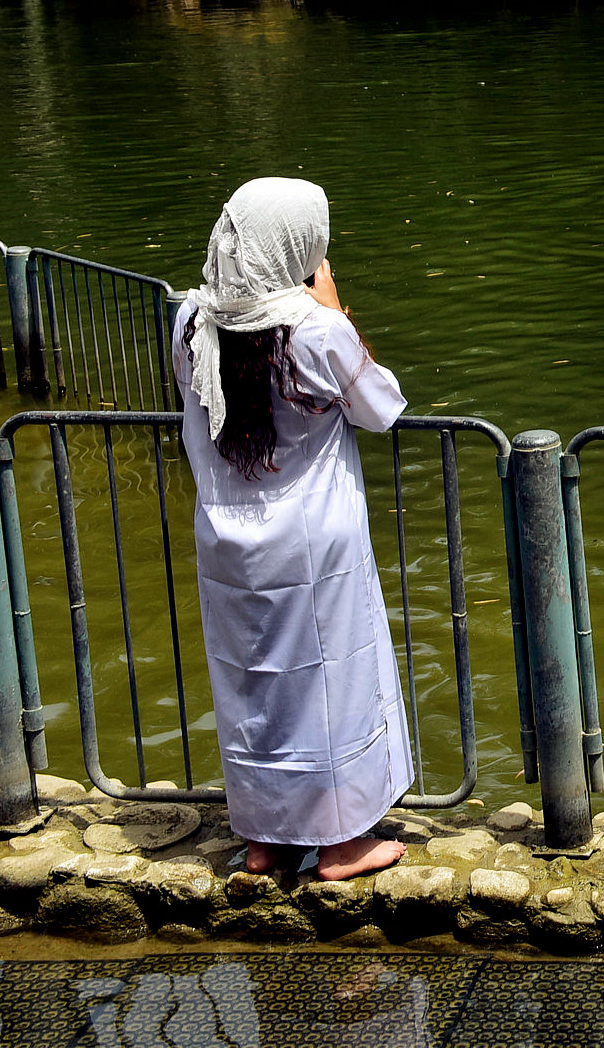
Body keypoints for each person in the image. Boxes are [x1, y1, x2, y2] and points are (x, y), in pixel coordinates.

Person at [171, 177, 409, 882]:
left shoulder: (191, 320)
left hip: (224, 534)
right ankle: (340, 844)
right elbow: (380, 406)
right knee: (327, 683)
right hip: (311, 537)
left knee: (253, 684)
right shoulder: (314, 329)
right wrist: (338, 312)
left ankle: (266, 840)